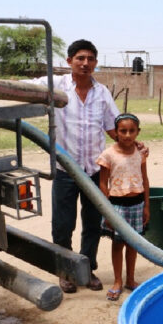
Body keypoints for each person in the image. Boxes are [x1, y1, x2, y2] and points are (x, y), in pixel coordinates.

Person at [26, 39, 122, 293]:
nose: (85, 63)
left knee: (92, 224)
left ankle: (87, 269)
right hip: (65, 170)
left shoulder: (102, 93)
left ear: (96, 63)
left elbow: (114, 128)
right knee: (62, 224)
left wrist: (134, 145)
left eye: (90, 59)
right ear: (69, 61)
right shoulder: (56, 85)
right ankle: (65, 270)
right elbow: (22, 88)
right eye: (80, 58)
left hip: (94, 171)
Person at [97, 113, 150, 301]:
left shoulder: (141, 152)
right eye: (123, 131)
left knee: (133, 244)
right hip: (117, 206)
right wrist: (108, 211)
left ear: (138, 132)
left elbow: (145, 179)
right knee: (118, 244)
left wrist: (147, 207)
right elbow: (103, 184)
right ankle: (118, 281)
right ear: (116, 133)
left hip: (137, 205)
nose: (127, 135)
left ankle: (130, 279)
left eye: (132, 131)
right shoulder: (108, 155)